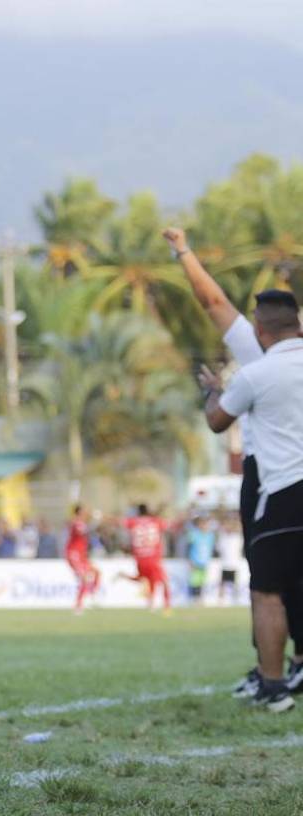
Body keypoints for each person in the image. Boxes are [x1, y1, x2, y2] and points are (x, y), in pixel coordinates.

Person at [164, 227, 303, 697]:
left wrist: (182, 250)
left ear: (262, 327)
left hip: (272, 479)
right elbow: (213, 301)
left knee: (267, 581)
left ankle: (273, 678)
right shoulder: (268, 347)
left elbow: (213, 302)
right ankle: (291, 665)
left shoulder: (258, 360)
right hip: (280, 477)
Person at [200, 288, 303, 711]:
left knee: (267, 592)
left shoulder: (257, 374)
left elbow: (217, 421)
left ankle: (274, 685)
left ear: (260, 330)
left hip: (282, 491)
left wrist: (211, 390)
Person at [120, 504, 171, 613]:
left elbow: (119, 522)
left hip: (139, 558)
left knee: (145, 579)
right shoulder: (155, 521)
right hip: (153, 558)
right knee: (163, 581)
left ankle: (151, 604)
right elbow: (169, 525)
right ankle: (166, 606)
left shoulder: (133, 521)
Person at [66, 504, 100, 613]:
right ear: (79, 512)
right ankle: (78, 605)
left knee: (96, 573)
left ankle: (91, 595)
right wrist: (95, 521)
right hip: (74, 555)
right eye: (84, 511)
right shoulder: (76, 523)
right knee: (84, 578)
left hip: (82, 555)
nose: (86, 513)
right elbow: (85, 531)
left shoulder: (82, 523)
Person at [186, 514, 217, 604]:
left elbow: (211, 549)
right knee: (194, 581)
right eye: (202, 524)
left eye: (205, 524)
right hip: (195, 562)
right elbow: (188, 547)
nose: (204, 526)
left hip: (205, 562)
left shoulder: (210, 536)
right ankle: (193, 598)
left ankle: (200, 598)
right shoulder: (194, 534)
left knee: (202, 581)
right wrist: (190, 560)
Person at [217, 513, 243, 605]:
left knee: (235, 583)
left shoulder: (237, 537)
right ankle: (221, 599)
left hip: (235, 564)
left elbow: (239, 528)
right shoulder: (223, 537)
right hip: (225, 564)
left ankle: (236, 598)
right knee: (222, 583)